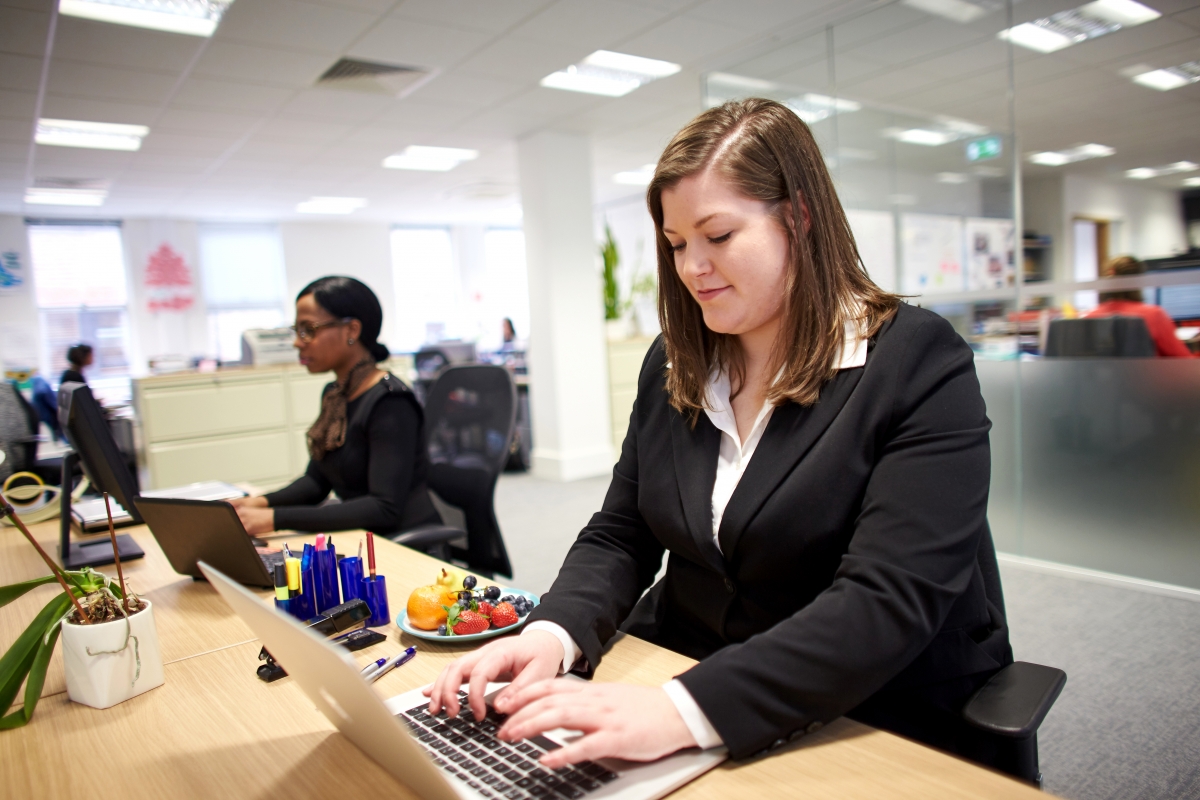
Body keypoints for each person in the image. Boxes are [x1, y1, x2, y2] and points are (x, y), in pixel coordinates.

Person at [426, 98, 1011, 770]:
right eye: (676, 244)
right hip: (685, 670)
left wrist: (682, 709)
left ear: (799, 218)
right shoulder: (674, 361)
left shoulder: (915, 362)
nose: (691, 267)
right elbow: (624, 530)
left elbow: (887, 600)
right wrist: (555, 633)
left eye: (718, 236)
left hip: (864, 708)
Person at [229, 276, 441, 535]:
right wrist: (255, 503)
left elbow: (384, 507)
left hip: (404, 546)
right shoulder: (336, 396)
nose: (298, 342)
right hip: (362, 537)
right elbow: (316, 482)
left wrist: (274, 519)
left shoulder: (390, 402)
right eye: (297, 330)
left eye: (308, 329)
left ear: (351, 330)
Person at [1084, 255, 1195, 357]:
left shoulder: (1090, 317)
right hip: (1147, 378)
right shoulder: (1154, 315)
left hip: (1105, 379)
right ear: (1139, 281)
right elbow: (1184, 362)